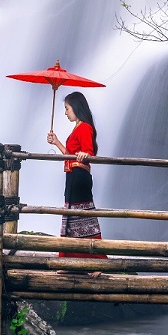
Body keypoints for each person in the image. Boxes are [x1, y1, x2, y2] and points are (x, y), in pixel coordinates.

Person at [47, 91, 101, 263]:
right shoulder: (77, 127)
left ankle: (96, 262)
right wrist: (56, 141)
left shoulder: (85, 127)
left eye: (67, 108)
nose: (65, 112)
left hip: (79, 177)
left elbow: (88, 152)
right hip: (72, 176)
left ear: (76, 107)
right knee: (71, 218)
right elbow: (70, 154)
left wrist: (85, 154)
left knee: (83, 218)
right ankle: (70, 261)